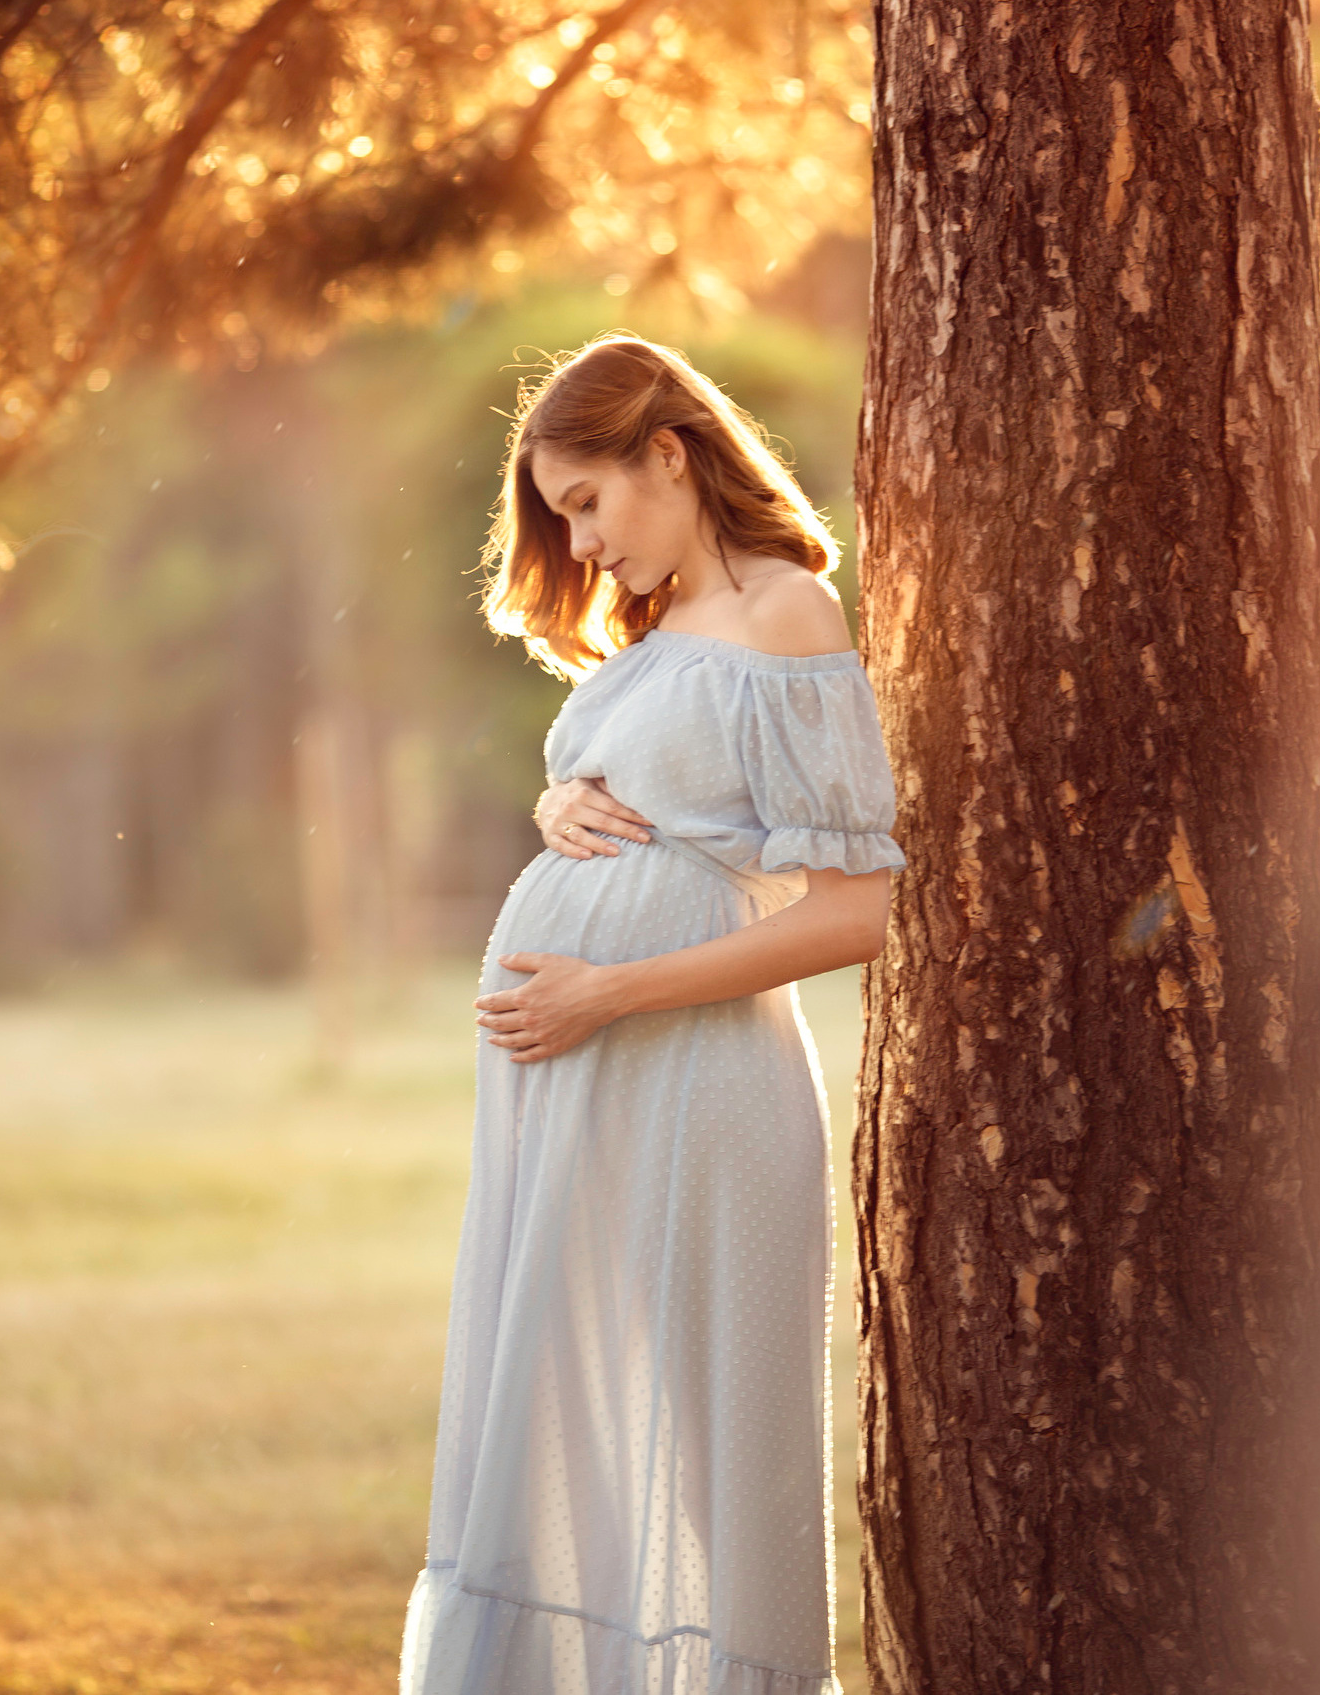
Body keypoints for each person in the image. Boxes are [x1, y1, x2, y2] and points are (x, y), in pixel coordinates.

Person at [399, 333, 906, 1695]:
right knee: (566, 1410)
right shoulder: (657, 625)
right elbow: (649, 800)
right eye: (559, 515)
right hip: (577, 1082)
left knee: (704, 1434)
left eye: (587, 503)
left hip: (693, 1082)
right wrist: (556, 802)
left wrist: (607, 991)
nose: (578, 541)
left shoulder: (786, 611)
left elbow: (855, 910)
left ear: (666, 455)